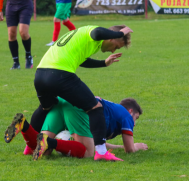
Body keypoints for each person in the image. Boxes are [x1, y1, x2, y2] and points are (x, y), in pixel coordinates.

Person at [29, 24, 133, 161]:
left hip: (40, 74)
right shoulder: (93, 34)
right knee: (95, 108)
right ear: (111, 38)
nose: (113, 50)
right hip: (60, 74)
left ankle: (30, 147)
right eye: (116, 46)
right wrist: (120, 34)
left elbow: (82, 60)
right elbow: (97, 33)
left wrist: (103, 63)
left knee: (47, 107)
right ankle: (101, 152)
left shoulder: (84, 39)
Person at [4, 97, 148, 160]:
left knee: (43, 152)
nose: (134, 123)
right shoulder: (126, 116)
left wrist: (116, 147)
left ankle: (24, 125)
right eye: (136, 118)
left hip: (61, 103)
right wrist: (137, 146)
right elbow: (129, 149)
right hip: (75, 108)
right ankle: (51, 142)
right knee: (87, 152)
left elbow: (98, 142)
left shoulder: (113, 112)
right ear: (131, 112)